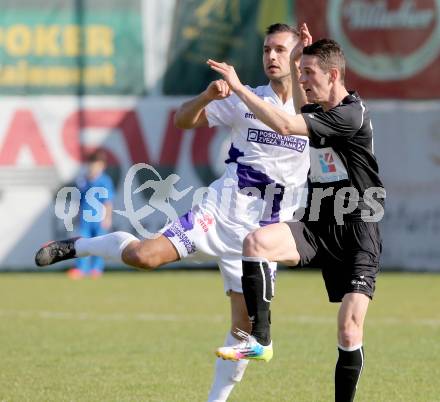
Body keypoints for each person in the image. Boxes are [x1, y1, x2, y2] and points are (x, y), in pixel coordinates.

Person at [35, 24, 311, 402]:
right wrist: (206, 96)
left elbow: (304, 118)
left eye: (281, 49)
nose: (272, 57)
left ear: (298, 55)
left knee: (246, 333)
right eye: (267, 49)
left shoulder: (313, 113)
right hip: (218, 215)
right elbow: (183, 120)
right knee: (142, 256)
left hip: (262, 239)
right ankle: (80, 246)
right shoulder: (245, 99)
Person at [209, 29, 385, 402]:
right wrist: (300, 55)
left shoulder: (350, 115)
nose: (301, 81)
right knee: (255, 242)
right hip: (319, 225)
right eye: (300, 73)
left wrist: (240, 89)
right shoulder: (315, 109)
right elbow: (292, 107)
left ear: (333, 76)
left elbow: (286, 125)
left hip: (357, 233)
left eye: (309, 75)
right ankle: (261, 340)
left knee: (349, 331)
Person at [68, 149, 114, 279]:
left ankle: (96, 269)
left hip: (99, 219)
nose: (94, 168)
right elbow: (79, 200)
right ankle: (81, 269)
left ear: (102, 166)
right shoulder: (83, 180)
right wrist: (76, 216)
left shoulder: (105, 181)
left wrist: (107, 218)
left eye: (97, 165)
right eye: (92, 164)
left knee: (99, 245)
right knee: (81, 243)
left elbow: (108, 201)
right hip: (84, 220)